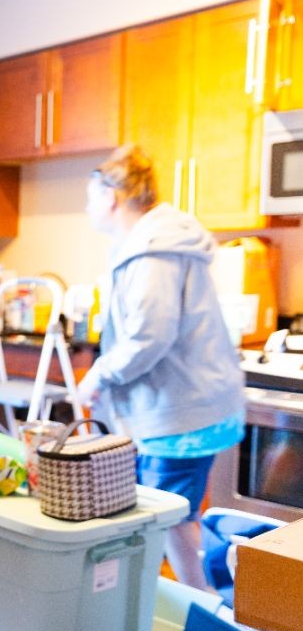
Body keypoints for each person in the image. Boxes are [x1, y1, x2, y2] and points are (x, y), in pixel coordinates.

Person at [76, 144, 245, 589]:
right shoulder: (152, 243)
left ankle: (206, 614)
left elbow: (149, 334)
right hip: (178, 406)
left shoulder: (153, 251)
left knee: (169, 517)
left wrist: (99, 373)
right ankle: (197, 609)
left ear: (111, 196)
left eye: (91, 196)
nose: (88, 207)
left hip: (180, 412)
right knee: (169, 517)